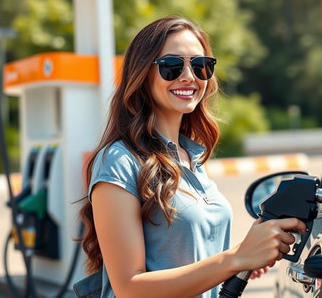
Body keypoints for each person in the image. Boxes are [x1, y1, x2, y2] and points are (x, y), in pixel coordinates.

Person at [79, 15, 306, 298]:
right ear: (142, 74)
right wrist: (236, 257)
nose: (189, 76)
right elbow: (128, 288)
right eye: (171, 66)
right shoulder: (119, 161)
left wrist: (242, 258)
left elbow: (190, 258)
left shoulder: (192, 158)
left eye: (200, 66)